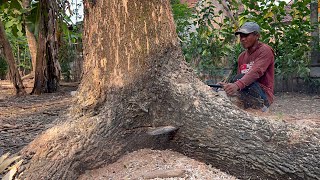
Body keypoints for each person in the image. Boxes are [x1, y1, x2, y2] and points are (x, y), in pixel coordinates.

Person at [220, 22, 275, 111]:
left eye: (246, 35)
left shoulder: (265, 50)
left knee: (240, 78)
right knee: (236, 79)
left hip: (263, 93)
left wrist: (237, 85)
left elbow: (256, 72)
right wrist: (228, 86)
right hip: (247, 93)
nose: (242, 39)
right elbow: (240, 80)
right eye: (241, 36)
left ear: (257, 36)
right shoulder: (241, 56)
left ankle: (263, 107)